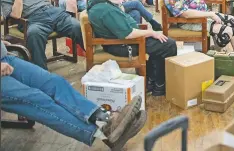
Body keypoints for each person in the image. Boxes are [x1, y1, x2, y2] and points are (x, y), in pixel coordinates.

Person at [0, 41, 146, 149]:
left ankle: (105, 120)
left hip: (5, 58)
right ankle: (102, 135)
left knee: (55, 82)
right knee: (36, 99)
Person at [88, 0, 176, 96]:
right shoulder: (105, 10)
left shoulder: (99, 2)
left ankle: (152, 80)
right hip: (123, 45)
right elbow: (127, 34)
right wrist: (150, 33)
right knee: (168, 44)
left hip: (123, 41)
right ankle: (159, 85)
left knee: (160, 43)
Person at [1, 0, 84, 69]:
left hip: (52, 12)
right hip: (32, 19)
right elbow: (16, 15)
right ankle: (41, 71)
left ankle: (93, 56)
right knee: (34, 35)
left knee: (76, 26)